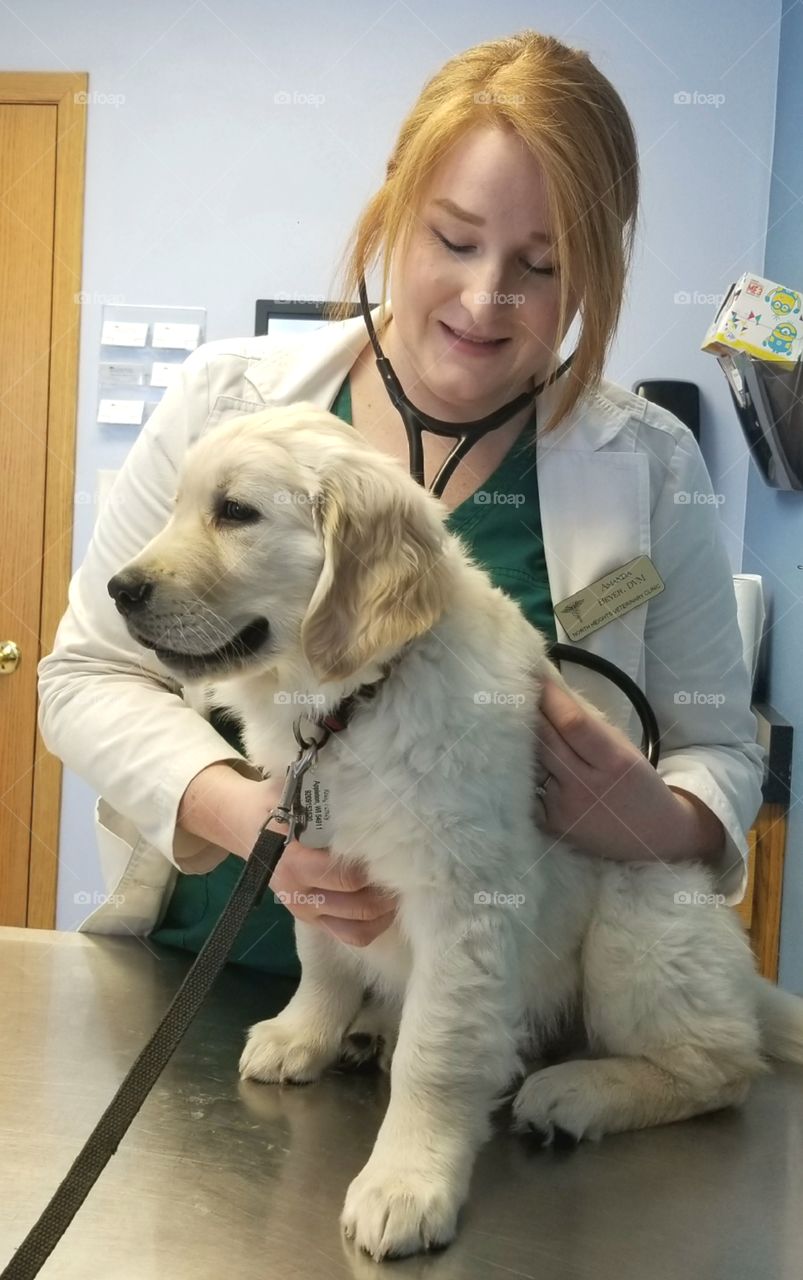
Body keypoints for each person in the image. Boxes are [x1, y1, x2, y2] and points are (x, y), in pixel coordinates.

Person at [37, 29, 766, 981]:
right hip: (213, 979)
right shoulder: (228, 403)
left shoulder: (649, 465)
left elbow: (716, 742)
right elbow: (87, 676)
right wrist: (246, 815)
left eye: (540, 267)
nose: (484, 297)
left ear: (593, 268)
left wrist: (665, 819)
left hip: (485, 1009)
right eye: (453, 239)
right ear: (394, 205)